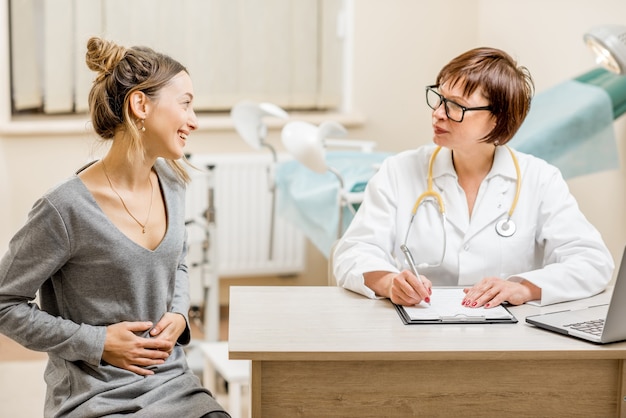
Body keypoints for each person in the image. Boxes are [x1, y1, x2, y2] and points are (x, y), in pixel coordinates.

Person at [0, 37, 230, 417]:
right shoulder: (64, 209)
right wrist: (98, 341)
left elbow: (179, 261)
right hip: (94, 397)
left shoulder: (173, 184)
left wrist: (178, 313)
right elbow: (4, 303)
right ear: (141, 104)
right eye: (185, 103)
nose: (194, 120)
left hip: (172, 382)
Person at [333, 47, 614, 309]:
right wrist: (389, 282)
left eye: (456, 106)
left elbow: (593, 262)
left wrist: (525, 288)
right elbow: (353, 251)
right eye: (439, 98)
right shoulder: (398, 170)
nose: (438, 113)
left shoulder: (540, 179)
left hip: (507, 338)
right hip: (416, 331)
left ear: (498, 119)